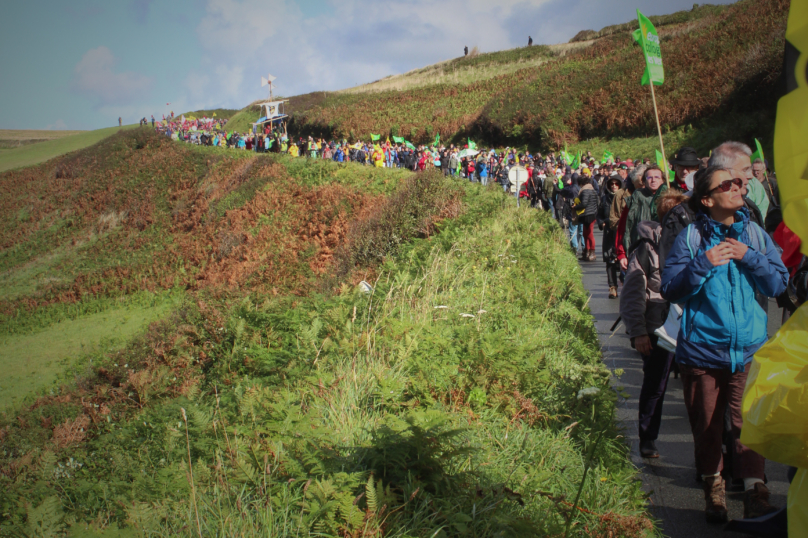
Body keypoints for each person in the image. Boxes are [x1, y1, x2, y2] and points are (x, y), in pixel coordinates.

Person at [661, 166, 788, 523]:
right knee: (707, 426)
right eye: (727, 184)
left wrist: (748, 256)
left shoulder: (756, 234)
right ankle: (713, 489)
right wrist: (704, 263)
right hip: (702, 351)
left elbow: (778, 285)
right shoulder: (691, 237)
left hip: (748, 350)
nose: (738, 187)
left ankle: (754, 492)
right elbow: (671, 289)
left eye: (739, 183)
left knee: (749, 424)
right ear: (707, 199)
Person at [620, 214, 671, 459]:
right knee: (655, 386)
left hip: (694, 327)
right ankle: (648, 437)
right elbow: (633, 292)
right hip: (657, 326)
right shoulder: (646, 249)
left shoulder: (697, 240)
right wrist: (638, 331)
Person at [598, 175, 622, 297]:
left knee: (622, 259)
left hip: (621, 233)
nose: (614, 186)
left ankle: (625, 282)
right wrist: (601, 222)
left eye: (616, 184)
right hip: (608, 232)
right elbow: (600, 214)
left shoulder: (625, 198)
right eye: (612, 184)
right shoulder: (605, 199)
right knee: (610, 260)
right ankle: (612, 287)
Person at [572, 174, 598, 261]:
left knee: (589, 234)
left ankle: (591, 252)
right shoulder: (592, 189)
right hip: (591, 213)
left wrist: (575, 207)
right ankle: (587, 251)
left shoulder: (585, 191)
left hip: (588, 214)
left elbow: (584, 204)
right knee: (585, 234)